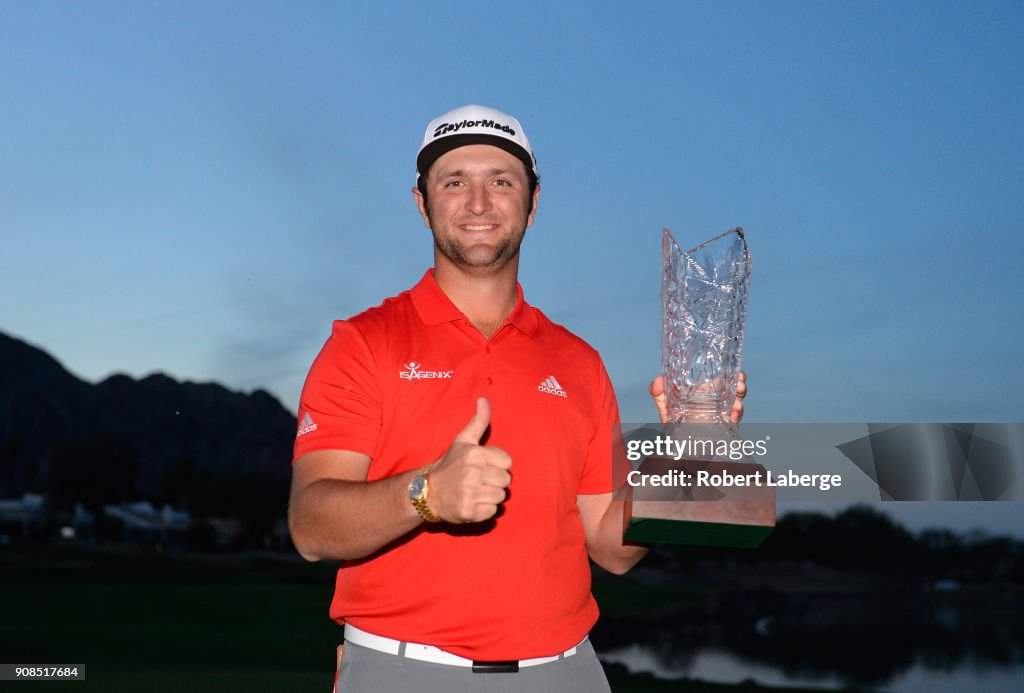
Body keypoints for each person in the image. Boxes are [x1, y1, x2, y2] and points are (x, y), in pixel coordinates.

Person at [288, 104, 745, 692]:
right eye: (455, 182)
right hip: (402, 672)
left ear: (532, 203)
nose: (478, 203)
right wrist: (426, 494)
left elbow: (612, 546)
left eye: (501, 181)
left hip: (566, 672)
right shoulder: (362, 344)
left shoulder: (579, 363)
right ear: (422, 204)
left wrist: (684, 460)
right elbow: (311, 525)